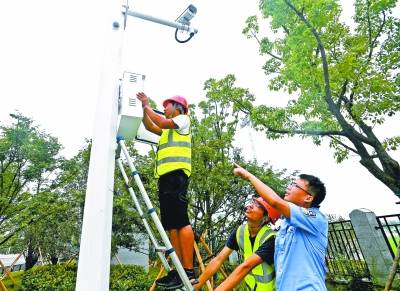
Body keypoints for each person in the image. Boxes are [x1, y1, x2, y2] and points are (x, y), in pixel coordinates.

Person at [234, 163, 328, 291]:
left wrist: (249, 176)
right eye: (291, 183)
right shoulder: (285, 224)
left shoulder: (316, 219)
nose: (289, 187)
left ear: (308, 197)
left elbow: (275, 201)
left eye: (295, 185)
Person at [136, 92, 195, 289]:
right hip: (166, 178)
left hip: (177, 175)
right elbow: (149, 125)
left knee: (181, 221)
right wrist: (145, 110)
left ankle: (188, 270)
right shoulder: (168, 130)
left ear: (177, 106)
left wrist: (146, 105)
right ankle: (178, 270)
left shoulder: (183, 119)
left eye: (167, 105)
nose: (164, 108)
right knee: (172, 225)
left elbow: (160, 121)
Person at [194, 196, 280, 291]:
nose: (250, 206)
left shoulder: (271, 238)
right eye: (253, 202)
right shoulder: (240, 231)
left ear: (266, 217)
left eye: (258, 206)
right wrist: (196, 286)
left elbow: (246, 266)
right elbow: (218, 260)